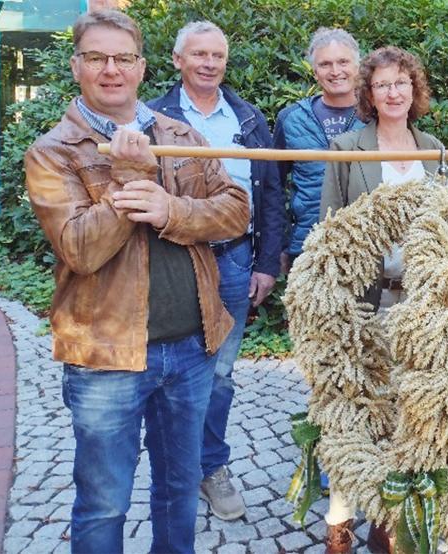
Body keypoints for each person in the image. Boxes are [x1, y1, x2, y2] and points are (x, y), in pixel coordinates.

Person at [23, 10, 249, 553]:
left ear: (142, 67)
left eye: (122, 58)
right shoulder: (53, 153)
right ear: (76, 66)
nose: (111, 69)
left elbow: (236, 210)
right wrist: (130, 178)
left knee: (177, 491)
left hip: (192, 349)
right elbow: (80, 249)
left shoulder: (178, 134)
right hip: (106, 358)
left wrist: (171, 209)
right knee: (104, 503)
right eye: (96, 57)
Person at [146, 20, 284, 521]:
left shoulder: (247, 119)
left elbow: (270, 193)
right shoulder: (151, 117)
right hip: (172, 261)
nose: (209, 63)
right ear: (178, 60)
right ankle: (172, 470)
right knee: (163, 369)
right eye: (199, 54)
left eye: (217, 56)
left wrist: (267, 263)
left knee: (220, 374)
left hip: (232, 259)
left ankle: (209, 466)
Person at [317, 45, 443, 553]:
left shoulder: (433, 149)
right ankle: (340, 517)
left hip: (416, 307)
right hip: (364, 304)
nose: (394, 93)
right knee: (354, 409)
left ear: (415, 92)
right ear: (369, 94)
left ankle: (391, 516)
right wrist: (335, 304)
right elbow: (328, 233)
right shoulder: (349, 149)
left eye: (402, 84)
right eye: (383, 84)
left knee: (407, 408)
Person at [274, 27, 365, 273]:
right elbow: (274, 188)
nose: (335, 72)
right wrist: (281, 243)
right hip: (306, 247)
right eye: (325, 64)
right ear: (315, 72)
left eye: (343, 62)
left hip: (367, 248)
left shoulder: (377, 117)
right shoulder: (291, 118)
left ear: (357, 66)